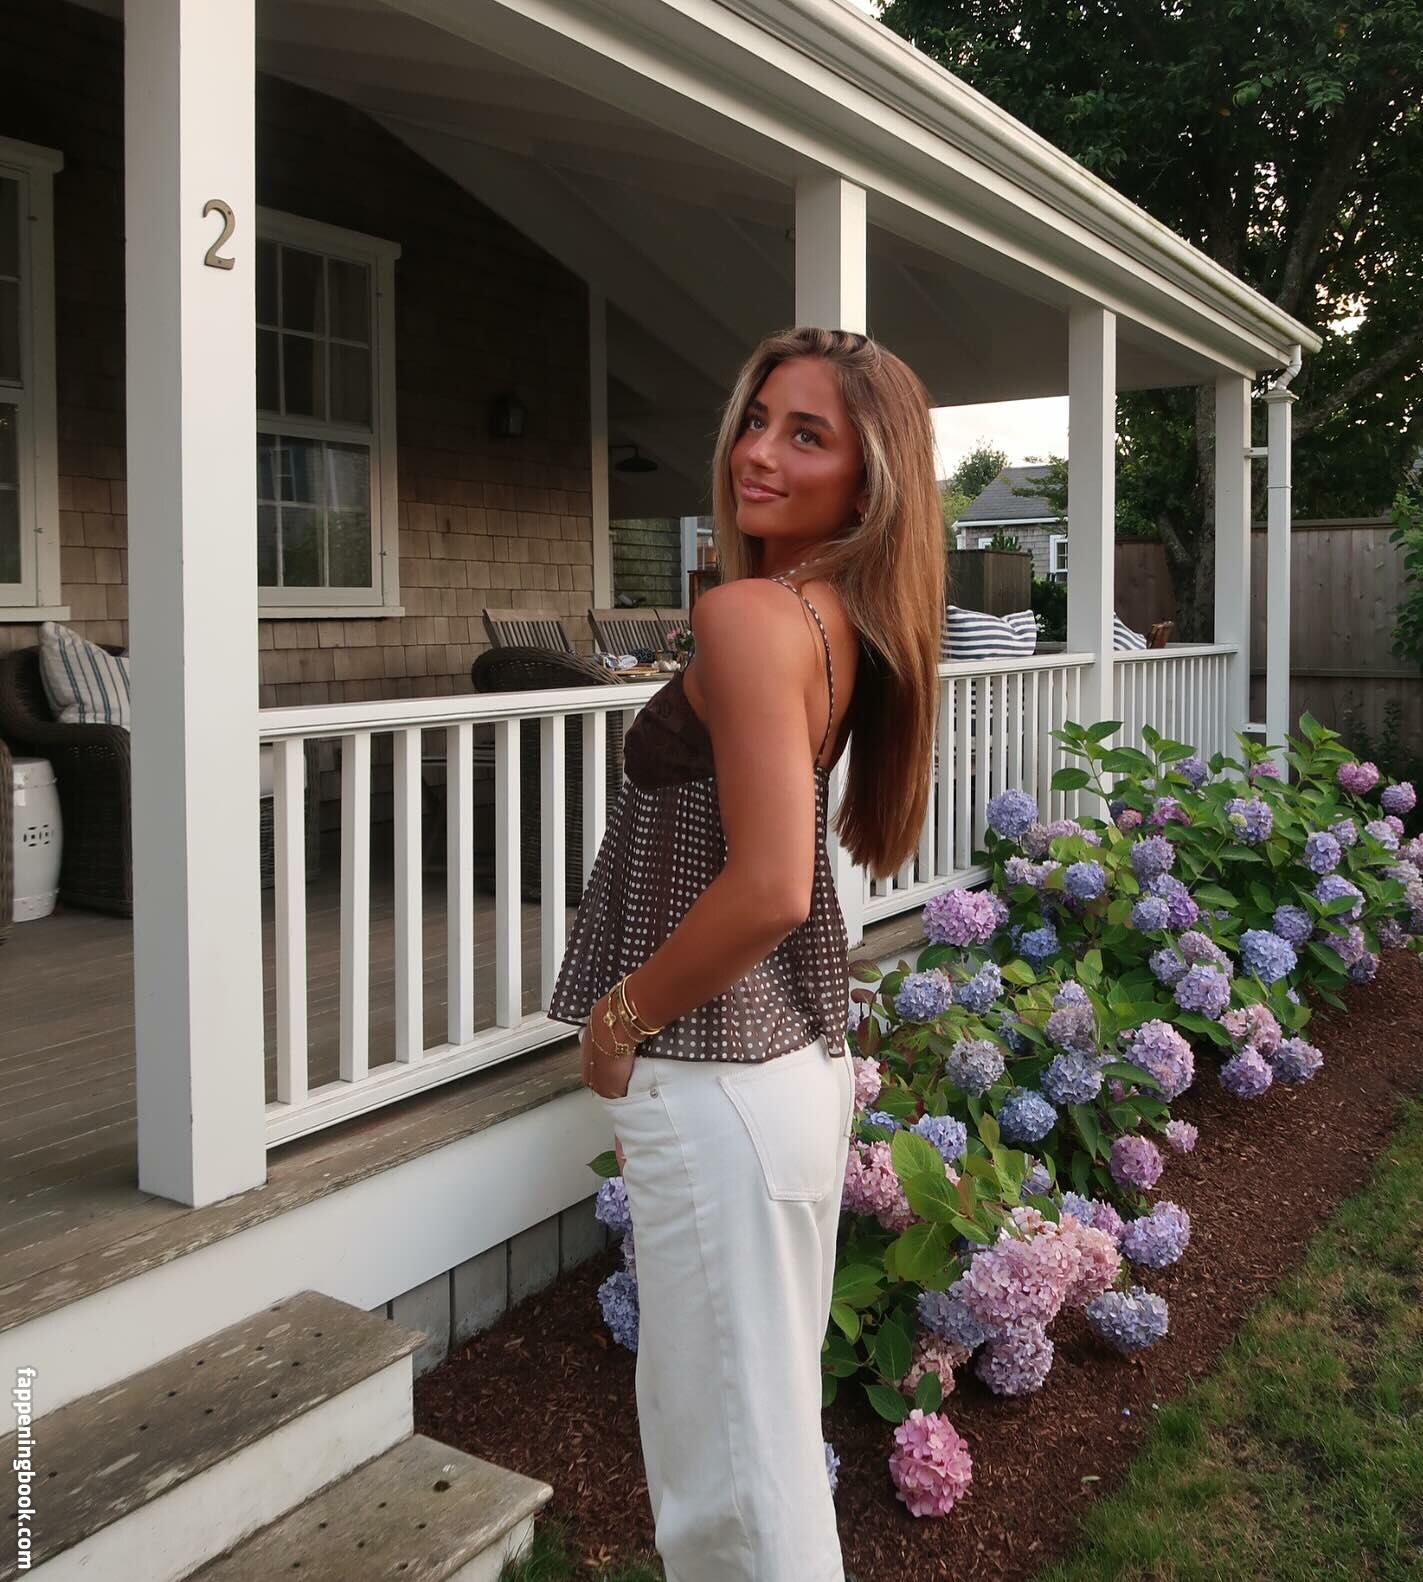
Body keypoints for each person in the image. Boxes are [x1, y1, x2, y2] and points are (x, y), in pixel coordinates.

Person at [547, 325, 944, 1580]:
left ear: (867, 483)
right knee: (754, 1447)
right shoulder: (833, 618)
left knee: (728, 1483)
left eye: (805, 434)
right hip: (782, 1070)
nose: (756, 452)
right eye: (757, 419)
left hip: (717, 1073)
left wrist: (618, 1019)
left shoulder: (748, 615)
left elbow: (771, 885)